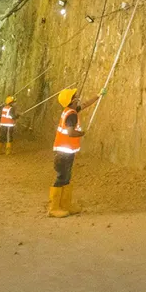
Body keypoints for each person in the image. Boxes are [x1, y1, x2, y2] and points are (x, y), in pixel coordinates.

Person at [48, 87, 99, 218]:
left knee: (67, 177)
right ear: (71, 101)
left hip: (66, 151)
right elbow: (70, 133)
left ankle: (65, 205)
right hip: (63, 152)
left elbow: (85, 104)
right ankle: (54, 208)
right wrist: (82, 133)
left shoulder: (70, 110)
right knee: (62, 177)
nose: (77, 96)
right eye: (75, 96)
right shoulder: (71, 115)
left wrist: (98, 95)